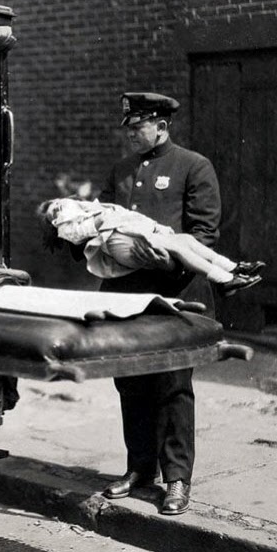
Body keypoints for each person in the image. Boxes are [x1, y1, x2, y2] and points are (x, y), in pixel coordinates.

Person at [87, 92, 220, 515]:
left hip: (176, 298)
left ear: (161, 126)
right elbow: (101, 222)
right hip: (127, 297)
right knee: (130, 381)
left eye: (137, 127)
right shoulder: (121, 170)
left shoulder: (193, 166)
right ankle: (140, 468)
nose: (130, 135)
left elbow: (204, 234)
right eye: (127, 128)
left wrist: (166, 257)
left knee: (172, 385)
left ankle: (177, 478)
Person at [37, 197, 264, 296]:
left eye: (56, 203)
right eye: (54, 212)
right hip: (116, 239)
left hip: (126, 232)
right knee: (177, 247)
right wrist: (100, 217)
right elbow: (82, 232)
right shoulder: (66, 225)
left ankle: (232, 268)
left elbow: (125, 215)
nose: (58, 207)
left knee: (185, 240)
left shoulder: (86, 207)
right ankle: (223, 280)